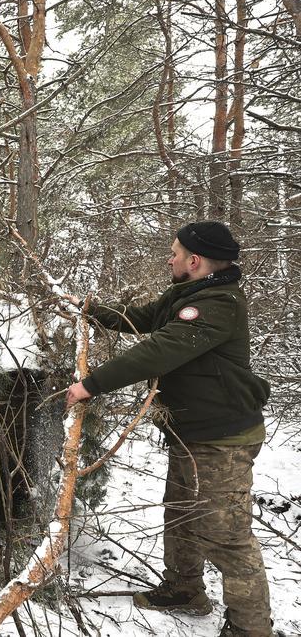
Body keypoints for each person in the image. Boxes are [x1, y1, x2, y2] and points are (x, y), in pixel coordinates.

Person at [65, 221, 273, 637]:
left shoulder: (217, 303)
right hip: (192, 431)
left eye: (175, 252)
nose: (170, 257)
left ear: (194, 261)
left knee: (225, 536)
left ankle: (252, 629)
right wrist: (88, 308)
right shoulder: (189, 292)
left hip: (222, 438)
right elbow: (144, 319)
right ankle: (184, 590)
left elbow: (160, 349)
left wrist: (91, 384)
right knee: (180, 515)